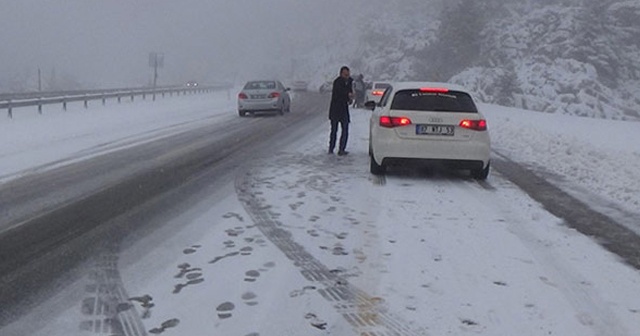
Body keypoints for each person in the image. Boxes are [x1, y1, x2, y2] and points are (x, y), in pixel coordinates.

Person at [328, 66, 353, 156]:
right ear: (341, 74)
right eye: (345, 74)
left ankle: (342, 149)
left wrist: (350, 99)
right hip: (335, 109)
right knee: (334, 130)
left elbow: (349, 94)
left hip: (344, 109)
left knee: (345, 130)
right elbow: (339, 93)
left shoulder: (350, 81)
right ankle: (331, 148)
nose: (347, 76)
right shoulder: (337, 82)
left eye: (348, 74)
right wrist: (348, 95)